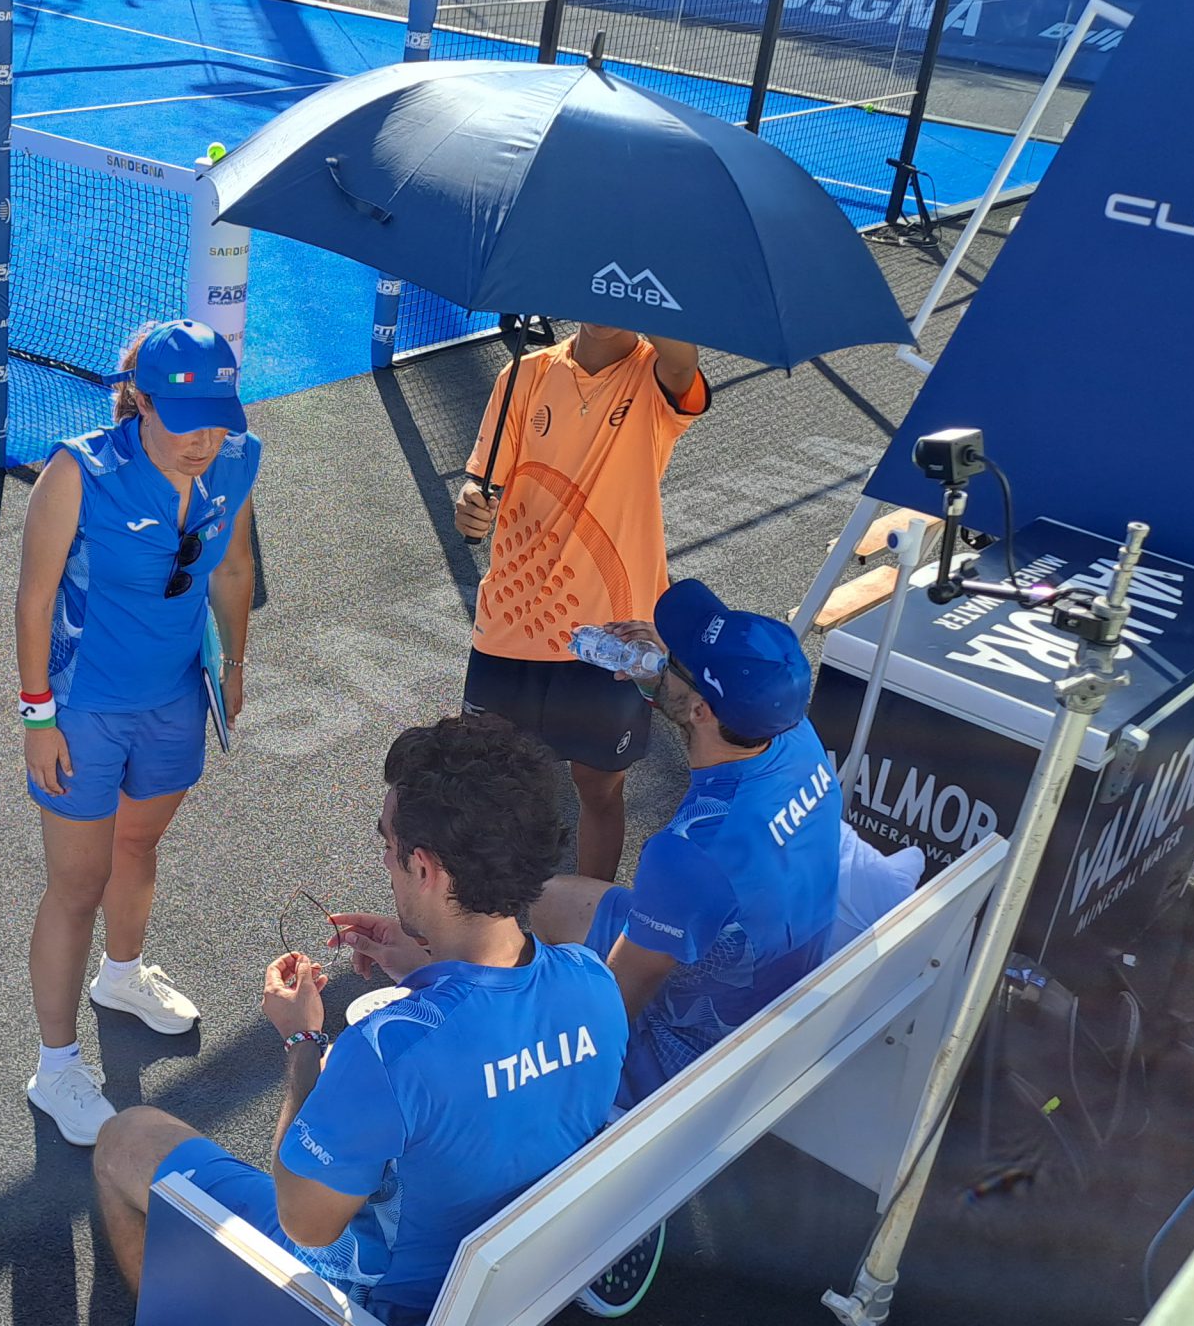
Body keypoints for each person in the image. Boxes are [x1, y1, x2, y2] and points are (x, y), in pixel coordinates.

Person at [91, 715, 627, 1321]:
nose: (386, 861)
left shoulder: (384, 1054)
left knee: (124, 1139)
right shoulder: (593, 981)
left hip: (378, 1303)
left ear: (424, 870)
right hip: (508, 1288)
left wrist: (301, 1043)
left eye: (389, 848)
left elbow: (306, 1222)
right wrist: (422, 961)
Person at [530, 579, 841, 1318]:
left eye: (678, 660)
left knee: (533, 935)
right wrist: (658, 676)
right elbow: (714, 730)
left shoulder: (690, 852)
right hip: (781, 984)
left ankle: (607, 1158)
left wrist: (544, 1050)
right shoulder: (793, 734)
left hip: (703, 1042)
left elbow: (621, 999)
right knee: (554, 897)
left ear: (701, 707)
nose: (664, 651)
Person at [17, 320, 260, 1146]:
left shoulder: (236, 458)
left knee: (139, 849)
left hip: (174, 700)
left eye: (219, 417)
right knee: (76, 886)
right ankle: (55, 1069)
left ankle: (121, 978)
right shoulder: (78, 470)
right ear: (141, 403)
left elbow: (230, 566)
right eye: (186, 420)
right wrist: (37, 716)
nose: (206, 440)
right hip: (83, 709)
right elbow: (34, 599)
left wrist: (231, 667)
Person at [455, 322, 710, 882]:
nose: (603, 305)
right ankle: (481, 923)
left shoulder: (656, 377)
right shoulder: (523, 373)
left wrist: (647, 293)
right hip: (510, 624)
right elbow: (482, 481)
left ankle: (588, 927)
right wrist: (471, 500)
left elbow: (682, 358)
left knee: (598, 787)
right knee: (485, 785)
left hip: (615, 633)